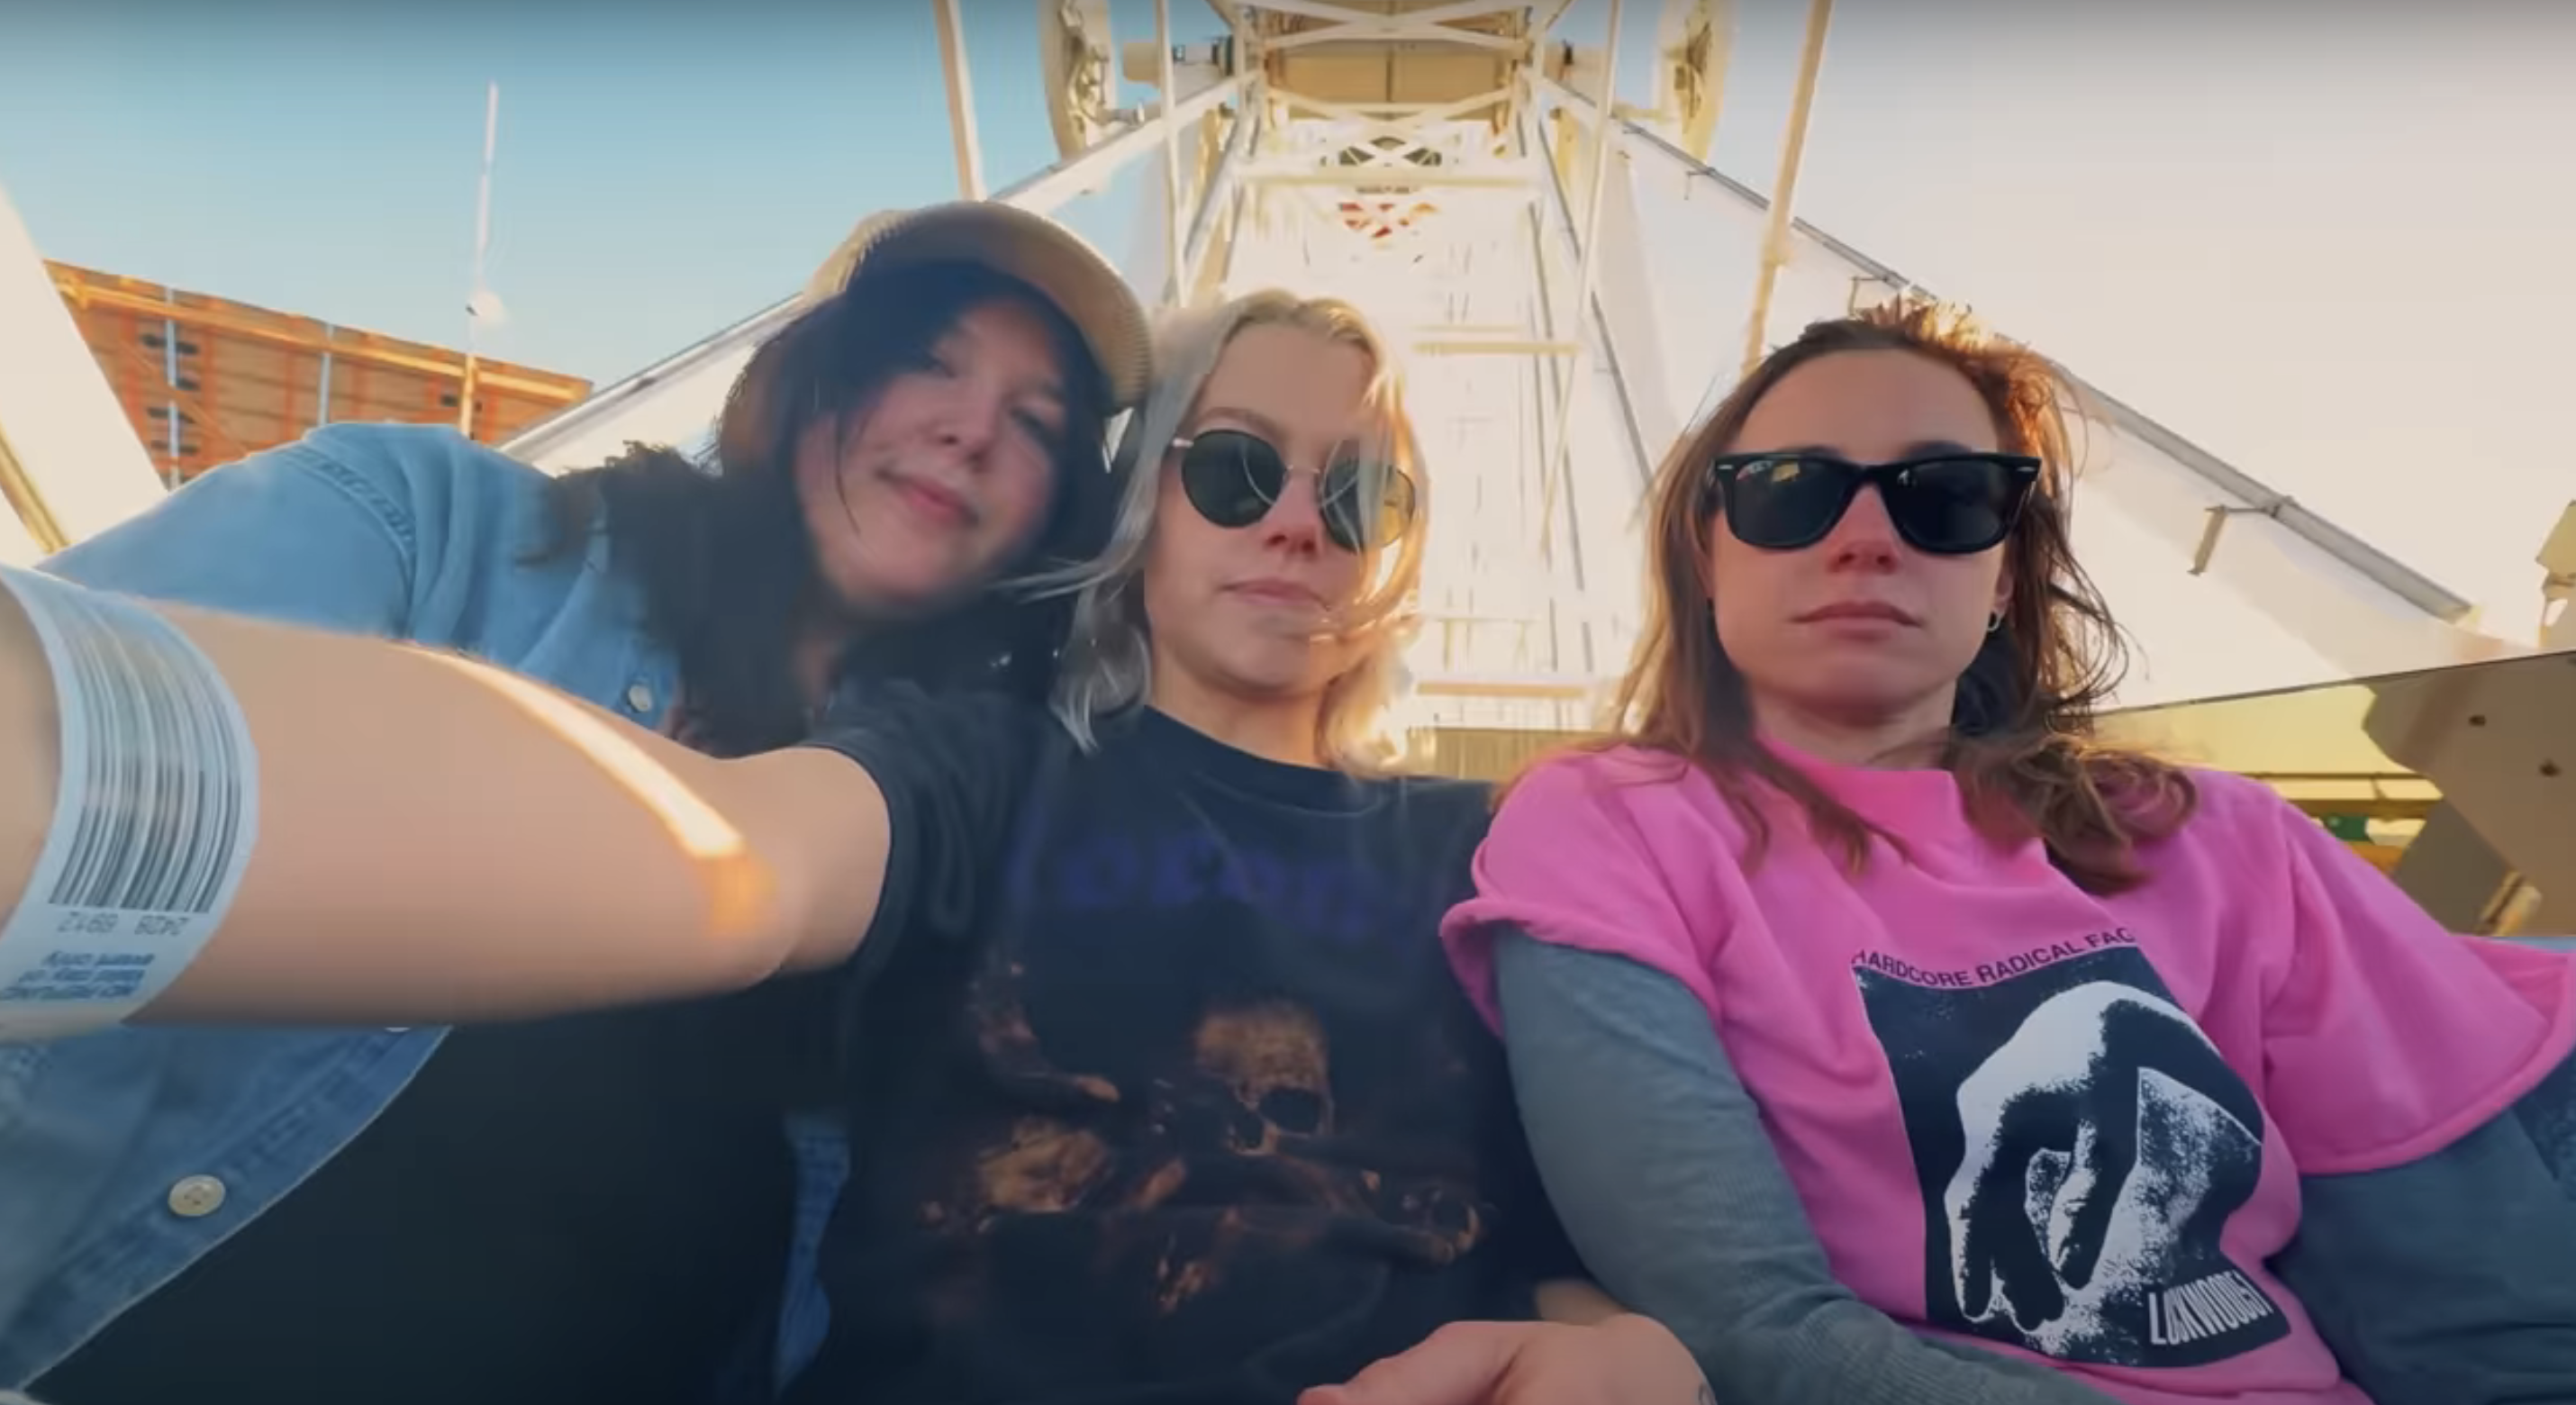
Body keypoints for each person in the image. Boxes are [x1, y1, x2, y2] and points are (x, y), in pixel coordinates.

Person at [0, 289, 1709, 1405]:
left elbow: (1606, 1223)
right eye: (1239, 466)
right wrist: (79, 769)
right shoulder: (984, 767)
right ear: (1139, 509)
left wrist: (1643, 1359)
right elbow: (729, 860)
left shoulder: (1505, 845)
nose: (1291, 524)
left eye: (1362, 496)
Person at [0, 201, 1149, 1405]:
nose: (969, 430)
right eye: (930, 361)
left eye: (1037, 426)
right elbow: (69, 769)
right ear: (810, 380)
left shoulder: (955, 834)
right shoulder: (430, 532)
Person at [1438, 298, 2576, 1405]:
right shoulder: (1611, 825)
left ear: (2004, 577)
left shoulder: (2218, 842)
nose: (1867, 540)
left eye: (1946, 498)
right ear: (1705, 554)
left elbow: (2472, 1315)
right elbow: (1749, 1321)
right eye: (1791, 493)